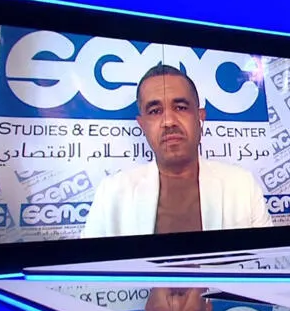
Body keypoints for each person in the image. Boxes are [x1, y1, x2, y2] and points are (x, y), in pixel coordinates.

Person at [81, 64, 272, 238]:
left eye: (180, 107)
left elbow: (268, 260)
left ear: (200, 117)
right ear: (142, 125)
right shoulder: (111, 193)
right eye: (155, 111)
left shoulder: (242, 186)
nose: (168, 121)